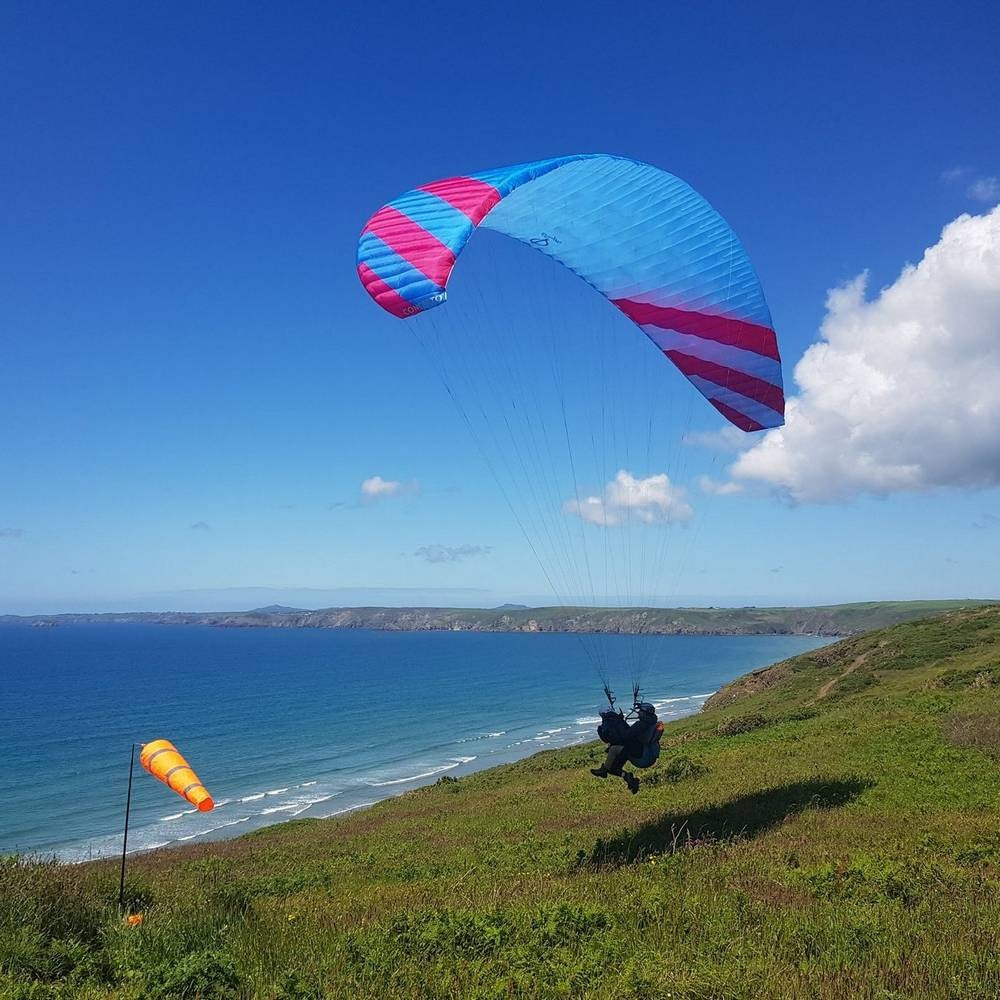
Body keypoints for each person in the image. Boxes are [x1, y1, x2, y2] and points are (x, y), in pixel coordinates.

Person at [591, 702, 660, 793]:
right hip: (643, 752)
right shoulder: (648, 722)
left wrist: (619, 722)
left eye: (640, 711)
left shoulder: (641, 725)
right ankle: (628, 778)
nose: (639, 712)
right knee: (612, 768)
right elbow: (628, 734)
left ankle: (603, 771)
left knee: (613, 749)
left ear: (645, 712)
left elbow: (625, 735)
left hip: (641, 755)